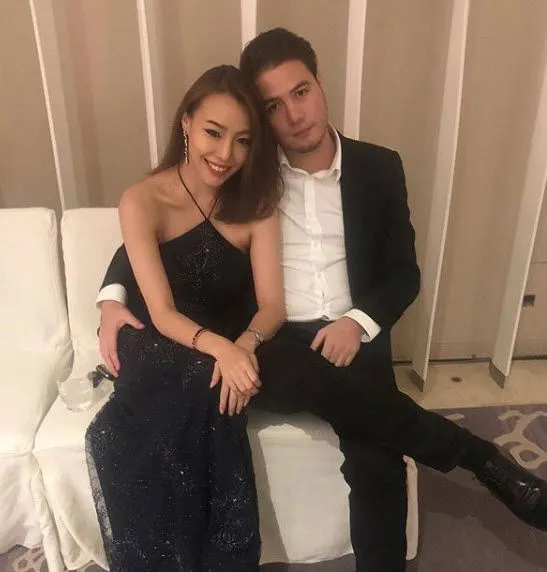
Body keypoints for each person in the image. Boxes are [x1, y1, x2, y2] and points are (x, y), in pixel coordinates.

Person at [96, 29, 547, 572]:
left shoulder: (378, 167)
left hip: (353, 335)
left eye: (301, 92)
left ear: (319, 83)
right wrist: (110, 297)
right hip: (277, 338)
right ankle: (481, 457)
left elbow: (402, 273)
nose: (294, 114)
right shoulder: (248, 177)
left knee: (376, 458)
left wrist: (358, 323)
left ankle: (480, 472)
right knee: (305, 377)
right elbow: (162, 233)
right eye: (273, 106)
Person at [86, 64, 286, 572]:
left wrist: (242, 346)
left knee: (214, 386)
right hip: (156, 338)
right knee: (205, 383)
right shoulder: (143, 199)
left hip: (222, 343)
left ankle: (214, 559)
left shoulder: (257, 205)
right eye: (213, 133)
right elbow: (160, 312)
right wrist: (224, 351)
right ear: (187, 124)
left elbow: (273, 306)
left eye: (243, 141)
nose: (225, 154)